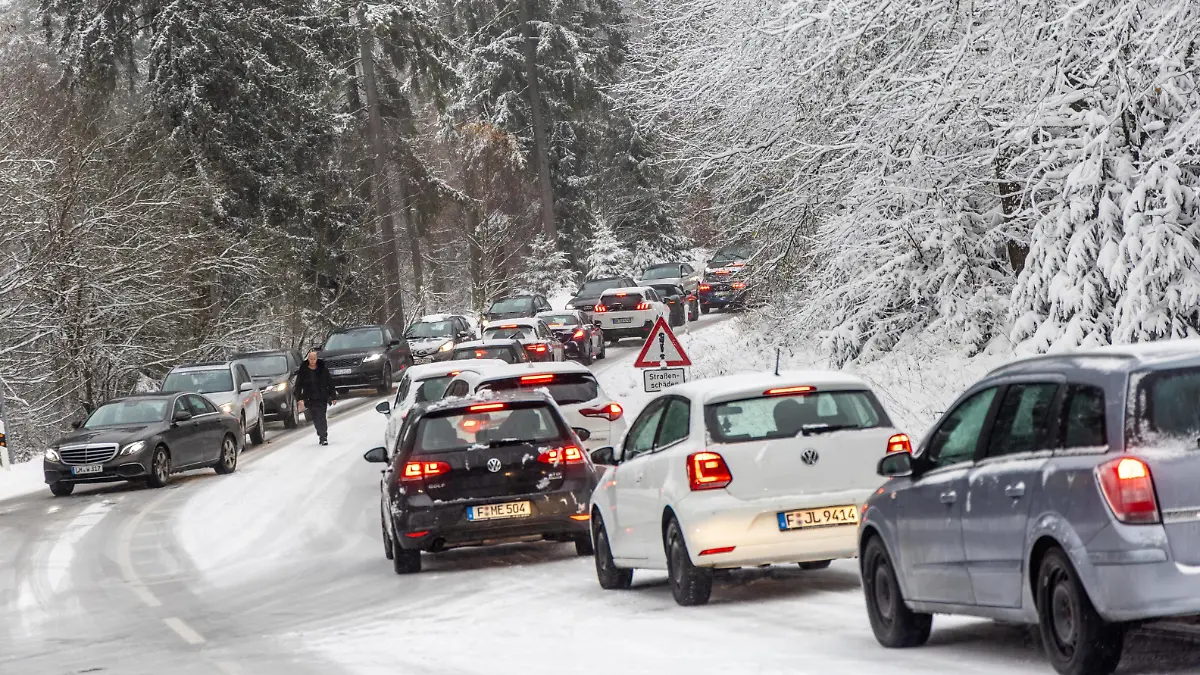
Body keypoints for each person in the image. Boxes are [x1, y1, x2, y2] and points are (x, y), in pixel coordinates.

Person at [294, 350, 337, 445]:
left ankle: (323, 436)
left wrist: (333, 396)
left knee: (322, 416)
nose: (312, 361)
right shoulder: (304, 370)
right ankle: (320, 431)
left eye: (314, 359)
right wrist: (299, 398)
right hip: (310, 397)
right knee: (315, 417)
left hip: (322, 396)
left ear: (316, 359)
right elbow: (298, 385)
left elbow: (330, 382)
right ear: (308, 359)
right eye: (311, 359)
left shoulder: (322, 368)